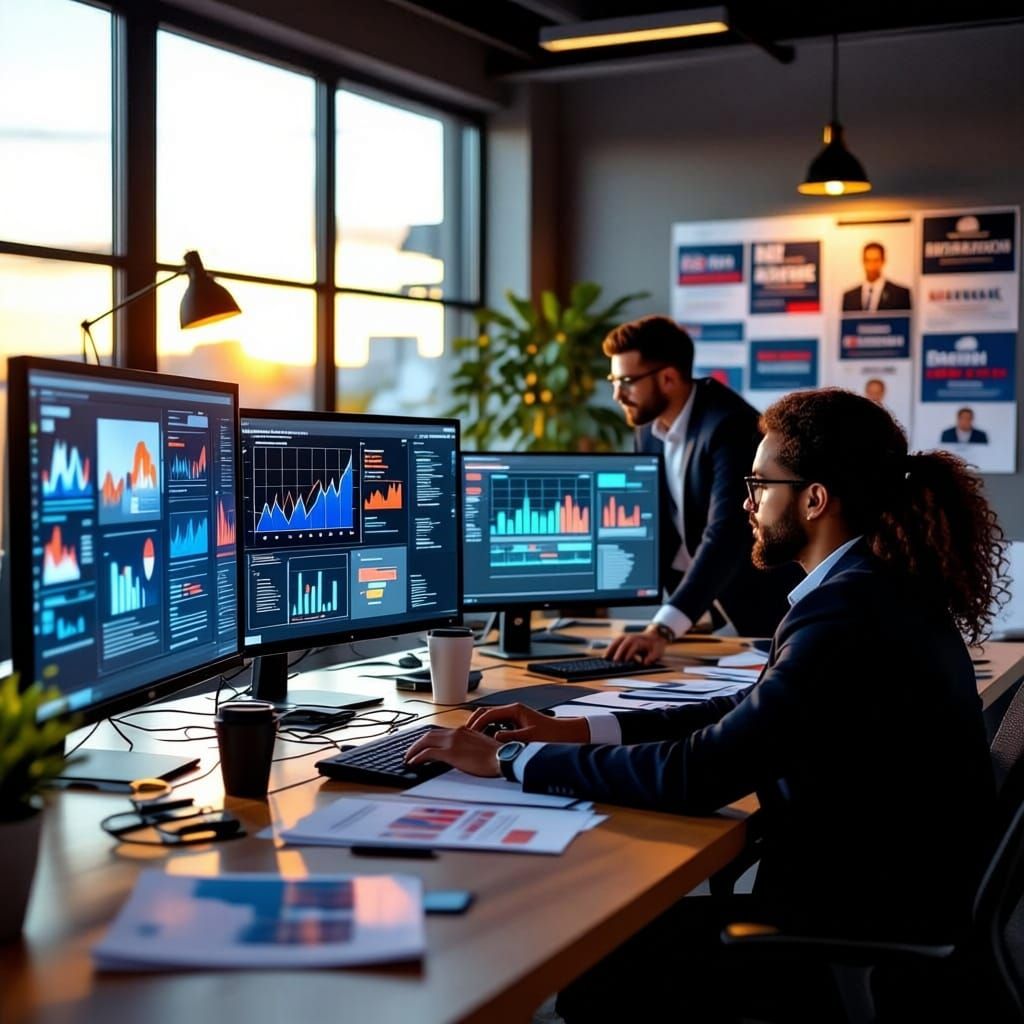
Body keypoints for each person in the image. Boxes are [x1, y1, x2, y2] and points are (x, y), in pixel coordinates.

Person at [407, 388, 1004, 1021]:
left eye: (759, 483)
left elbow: (698, 772)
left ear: (814, 499)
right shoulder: (870, 589)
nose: (746, 501)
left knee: (597, 975)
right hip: (892, 883)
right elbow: (747, 708)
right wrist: (575, 728)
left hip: (859, 908)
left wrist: (513, 760)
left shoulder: (846, 613)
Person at [599, 316, 797, 663]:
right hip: (702, 618)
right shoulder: (647, 428)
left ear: (669, 378)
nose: (617, 394)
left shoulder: (727, 425)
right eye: (614, 380)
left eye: (627, 381)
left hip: (760, 613)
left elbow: (727, 533)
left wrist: (663, 627)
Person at [842, 242, 912, 311]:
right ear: (863, 262)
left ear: (883, 261)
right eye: (867, 260)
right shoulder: (849, 296)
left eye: (876, 260)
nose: (871, 265)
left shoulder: (900, 295)